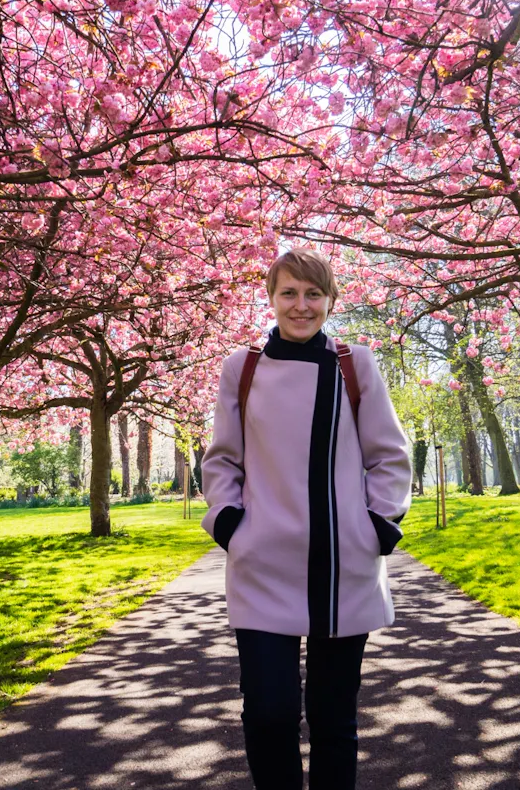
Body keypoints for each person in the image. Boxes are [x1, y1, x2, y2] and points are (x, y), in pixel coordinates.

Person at [200, 248, 413, 790]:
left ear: (330, 300)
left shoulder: (355, 363)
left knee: (333, 720)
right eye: (288, 293)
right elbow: (222, 459)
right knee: (269, 713)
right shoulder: (241, 368)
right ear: (270, 300)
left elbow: (388, 456)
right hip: (262, 564)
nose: (301, 305)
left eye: (313, 293)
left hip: (343, 567)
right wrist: (229, 525)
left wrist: (378, 525)